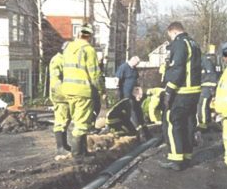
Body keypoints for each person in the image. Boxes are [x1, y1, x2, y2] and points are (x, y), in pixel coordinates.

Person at [159, 21, 202, 171]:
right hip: (194, 91)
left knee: (172, 122)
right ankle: (187, 156)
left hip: (181, 92)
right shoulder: (194, 44)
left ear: (173, 32)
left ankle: (176, 159)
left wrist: (169, 90)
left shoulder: (179, 43)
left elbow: (178, 68)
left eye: (169, 36)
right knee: (189, 123)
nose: (170, 39)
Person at [60, 23, 105, 160]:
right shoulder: (88, 50)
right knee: (81, 123)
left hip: (67, 90)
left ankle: (83, 151)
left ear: (78, 34)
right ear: (89, 36)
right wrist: (101, 90)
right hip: (82, 91)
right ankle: (78, 155)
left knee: (77, 120)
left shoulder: (68, 48)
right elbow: (95, 74)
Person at [116, 57, 151, 141]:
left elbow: (136, 82)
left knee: (138, 111)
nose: (136, 65)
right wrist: (118, 92)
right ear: (132, 61)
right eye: (136, 63)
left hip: (134, 95)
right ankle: (138, 132)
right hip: (126, 94)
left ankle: (145, 131)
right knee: (132, 112)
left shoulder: (134, 70)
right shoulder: (123, 67)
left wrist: (139, 93)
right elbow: (117, 80)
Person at [49, 42, 71, 157]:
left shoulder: (65, 60)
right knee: (61, 121)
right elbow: (56, 80)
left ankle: (65, 144)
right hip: (60, 96)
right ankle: (60, 147)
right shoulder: (57, 60)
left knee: (66, 120)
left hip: (66, 96)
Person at [197, 44, 219, 132]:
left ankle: (203, 124)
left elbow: (211, 75)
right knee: (204, 106)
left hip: (207, 86)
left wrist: (212, 88)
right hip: (203, 85)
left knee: (202, 105)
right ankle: (208, 122)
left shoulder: (204, 60)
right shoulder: (200, 60)